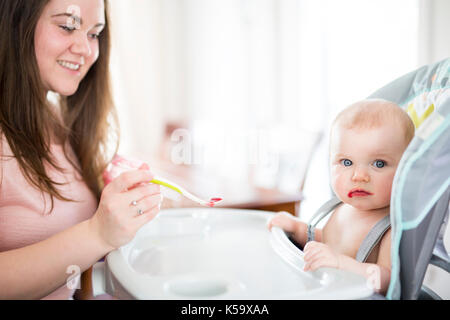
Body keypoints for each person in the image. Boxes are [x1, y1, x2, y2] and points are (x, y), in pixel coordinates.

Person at [0, 0, 162, 299]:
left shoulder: (60, 124)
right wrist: (98, 234)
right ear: (15, 23)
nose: (86, 50)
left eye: (94, 33)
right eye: (67, 26)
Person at [268, 99, 415, 295]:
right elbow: (328, 240)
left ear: (406, 169)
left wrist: (341, 264)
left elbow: (387, 280)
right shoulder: (342, 209)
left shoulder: (390, 227)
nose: (359, 176)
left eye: (378, 164)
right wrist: (298, 229)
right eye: (346, 162)